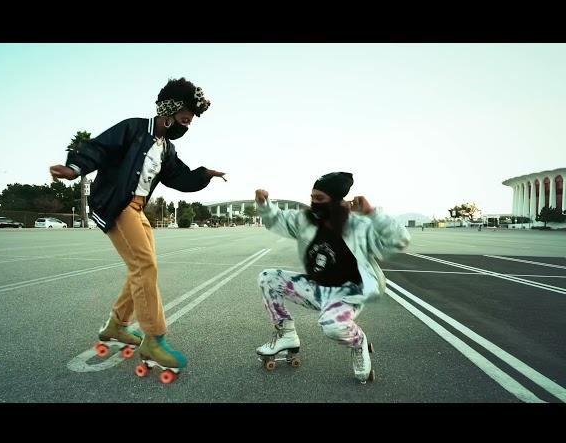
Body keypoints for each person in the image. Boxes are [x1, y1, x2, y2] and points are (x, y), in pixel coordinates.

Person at [49, 77, 226, 375]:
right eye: (185, 119)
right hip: (118, 205)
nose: (187, 125)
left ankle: (116, 326)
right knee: (145, 267)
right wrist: (74, 168)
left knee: (144, 267)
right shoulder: (133, 128)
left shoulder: (166, 149)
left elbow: (179, 177)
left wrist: (204, 174)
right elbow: (100, 148)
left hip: (139, 209)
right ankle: (154, 340)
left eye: (190, 122)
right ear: (169, 110)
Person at [254, 172, 410, 382]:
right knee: (267, 278)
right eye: (312, 197)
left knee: (332, 327)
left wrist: (372, 213)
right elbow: (278, 219)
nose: (313, 203)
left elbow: (399, 240)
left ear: (336, 201)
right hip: (316, 288)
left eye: (320, 199)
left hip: (347, 294)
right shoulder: (307, 220)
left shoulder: (358, 226)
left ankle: (358, 342)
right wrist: (264, 204)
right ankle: (287, 335)